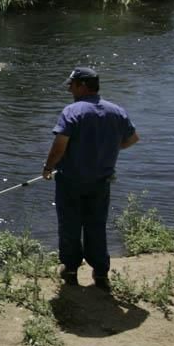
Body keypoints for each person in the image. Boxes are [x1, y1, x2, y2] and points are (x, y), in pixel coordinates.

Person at [42, 67, 140, 290]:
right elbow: (133, 138)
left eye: (72, 84)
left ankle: (70, 269)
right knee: (96, 225)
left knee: (70, 225)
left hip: (71, 181)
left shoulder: (72, 111)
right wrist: (108, 149)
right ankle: (101, 273)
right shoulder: (116, 111)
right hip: (101, 182)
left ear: (83, 85)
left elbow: (59, 146)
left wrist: (48, 167)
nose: (69, 88)